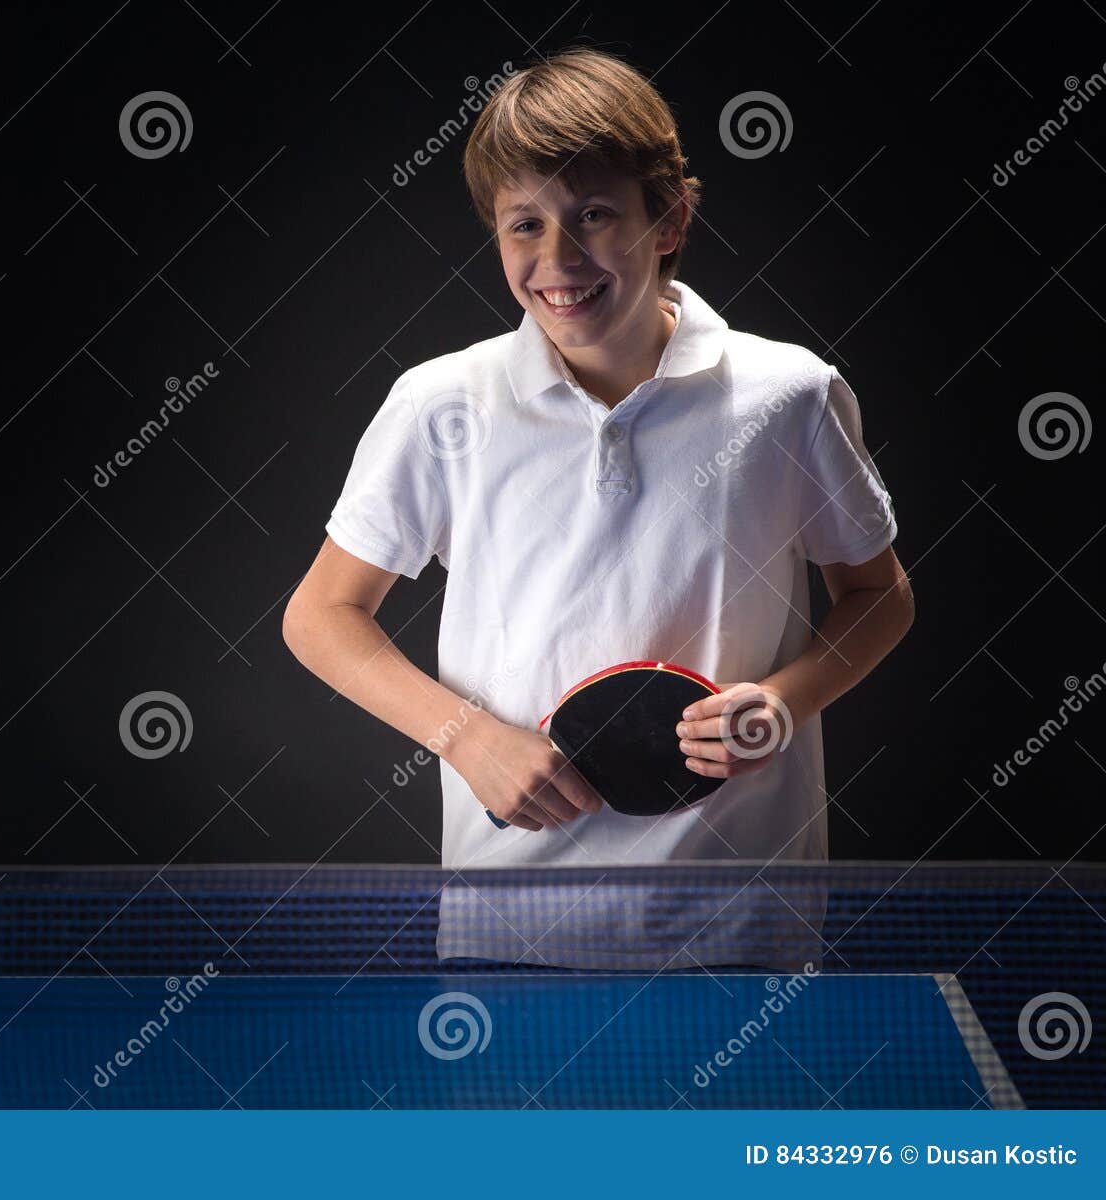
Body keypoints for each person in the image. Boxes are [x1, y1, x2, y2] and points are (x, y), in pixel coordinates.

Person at [280, 47, 913, 969]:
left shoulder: (789, 396)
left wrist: (782, 702)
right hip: (513, 921)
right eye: (524, 225)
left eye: (594, 216)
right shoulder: (441, 404)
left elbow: (879, 594)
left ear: (670, 219)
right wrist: (466, 738)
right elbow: (321, 615)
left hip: (741, 921)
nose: (558, 259)